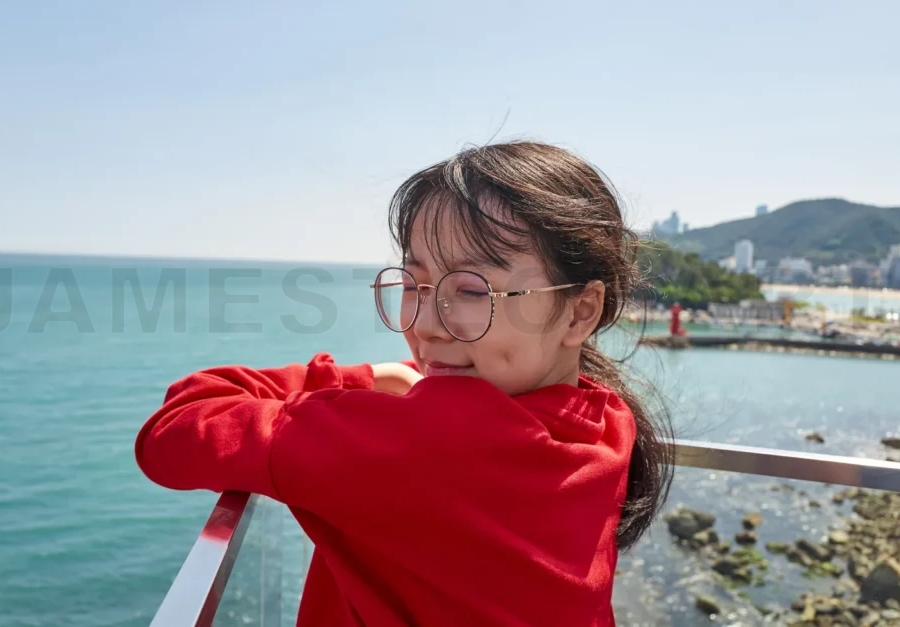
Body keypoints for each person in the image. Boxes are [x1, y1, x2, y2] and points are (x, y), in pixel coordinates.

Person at [135, 141, 674, 626]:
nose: (426, 324)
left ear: (581, 311)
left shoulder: (415, 445)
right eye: (415, 283)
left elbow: (173, 431)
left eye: (471, 289)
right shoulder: (604, 418)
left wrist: (359, 378)